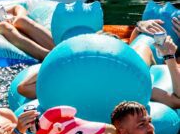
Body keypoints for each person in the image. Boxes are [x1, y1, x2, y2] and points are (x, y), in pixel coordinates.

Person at [17, 24, 180, 108]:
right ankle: (138, 32)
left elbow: (176, 100)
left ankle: (139, 33)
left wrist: (170, 57)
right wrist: (60, 57)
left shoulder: (132, 82)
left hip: (142, 52)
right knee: (139, 44)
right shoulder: (78, 82)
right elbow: (23, 88)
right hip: (131, 52)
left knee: (142, 47)